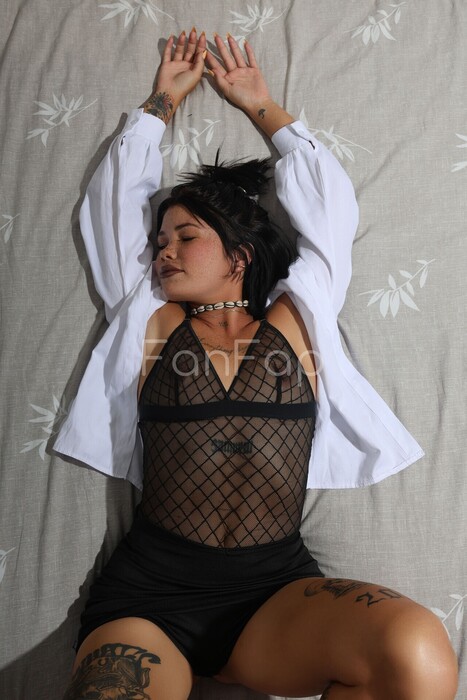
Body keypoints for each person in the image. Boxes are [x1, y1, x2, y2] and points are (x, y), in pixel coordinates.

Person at [58, 29, 458, 700]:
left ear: (240, 254)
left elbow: (329, 211)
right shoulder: (150, 319)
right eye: (159, 239)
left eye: (186, 236)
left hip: (275, 597)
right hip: (150, 599)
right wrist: (161, 103)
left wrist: (260, 107)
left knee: (416, 654)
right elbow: (113, 204)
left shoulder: (299, 319)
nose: (164, 251)